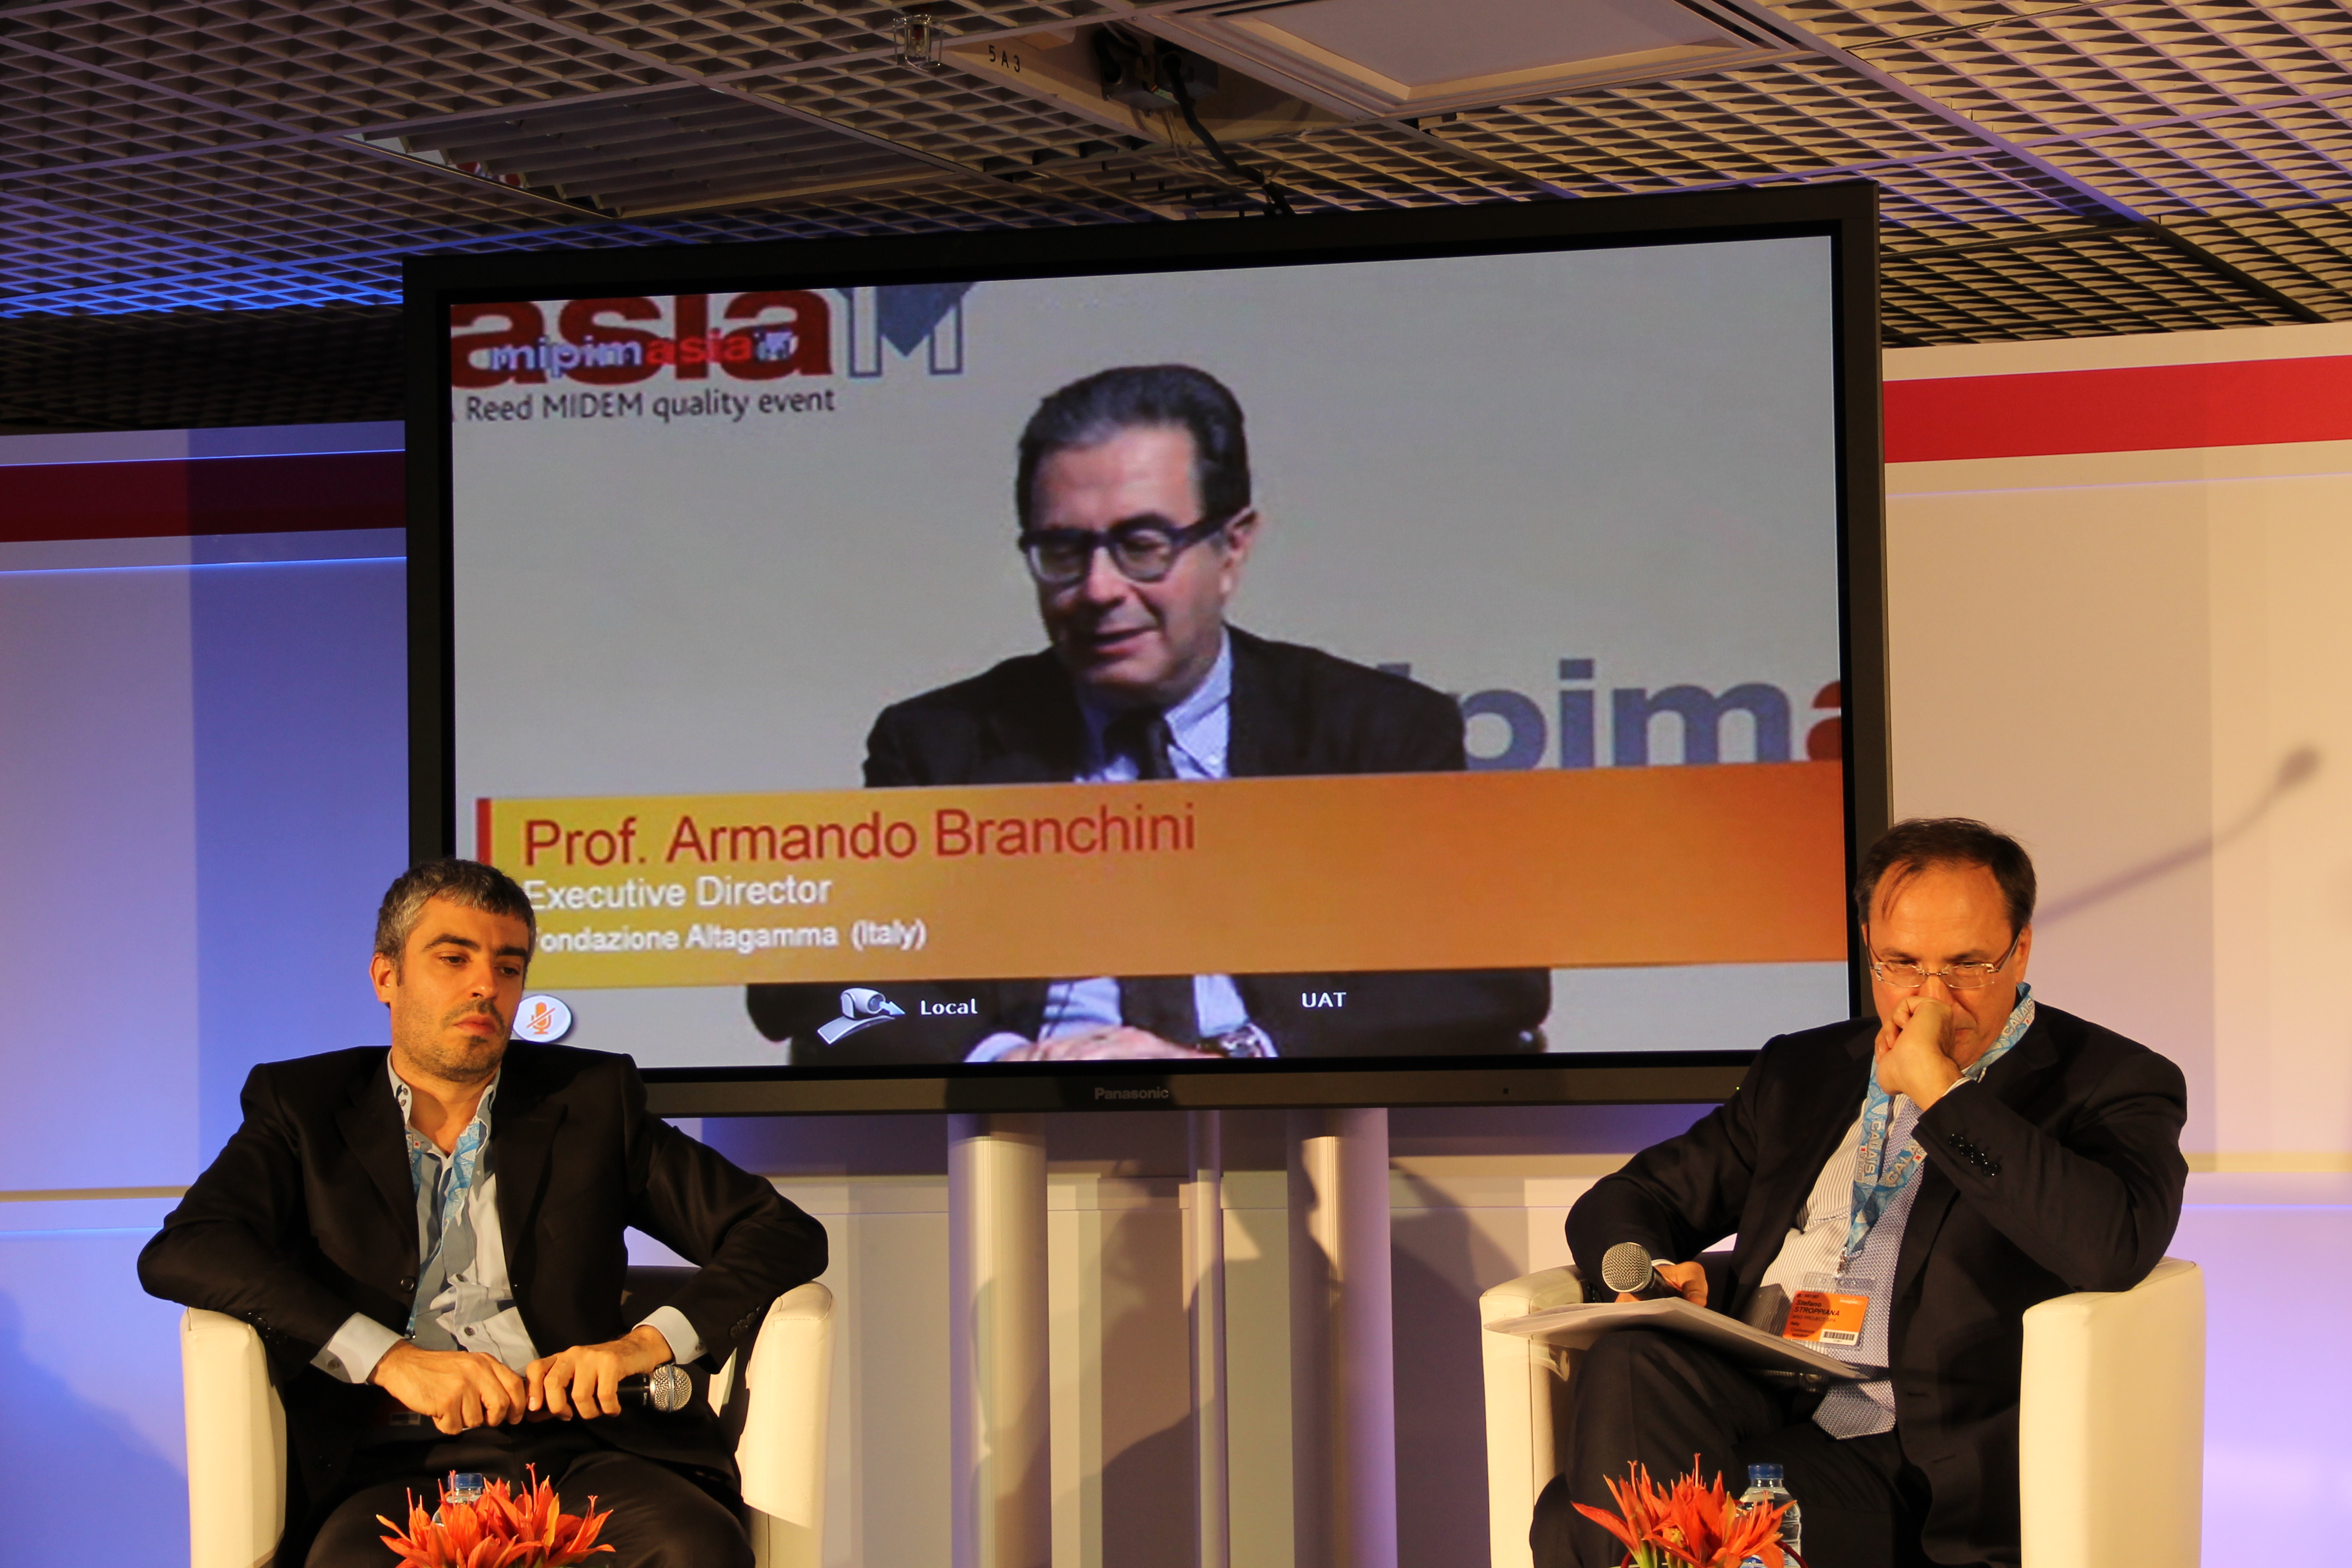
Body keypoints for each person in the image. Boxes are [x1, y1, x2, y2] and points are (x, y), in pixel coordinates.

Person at [748, 363, 1549, 1063]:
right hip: (1017, 1145)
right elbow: (819, 988)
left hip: (1303, 1138)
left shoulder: (1374, 730)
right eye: (1063, 551)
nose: (1098, 590)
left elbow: (1485, 980)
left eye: (1142, 546)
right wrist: (999, 1062)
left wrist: (1236, 1059)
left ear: (1232, 547)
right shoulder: (938, 744)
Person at [1532, 818, 2187, 1568]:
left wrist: (1942, 1093)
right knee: (1631, 1357)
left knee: (1580, 1519)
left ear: (2022, 948)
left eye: (1966, 966)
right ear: (1870, 946)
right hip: (1761, 1395)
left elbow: (2113, 1245)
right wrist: (1648, 1274)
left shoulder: (2108, 1081)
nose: (1932, 998)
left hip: (1908, 1455)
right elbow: (1633, 1198)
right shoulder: (1804, 1069)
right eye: (1902, 964)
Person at [140, 859, 827, 1567]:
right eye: (454, 958)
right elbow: (189, 1247)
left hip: (581, 1450)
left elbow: (780, 1231)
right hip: (386, 1457)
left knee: (695, 1547)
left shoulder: (589, 1099)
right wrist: (391, 1359)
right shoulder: (304, 1106)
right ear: (386, 976)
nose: (485, 986)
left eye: (508, 966)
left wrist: (642, 1344)